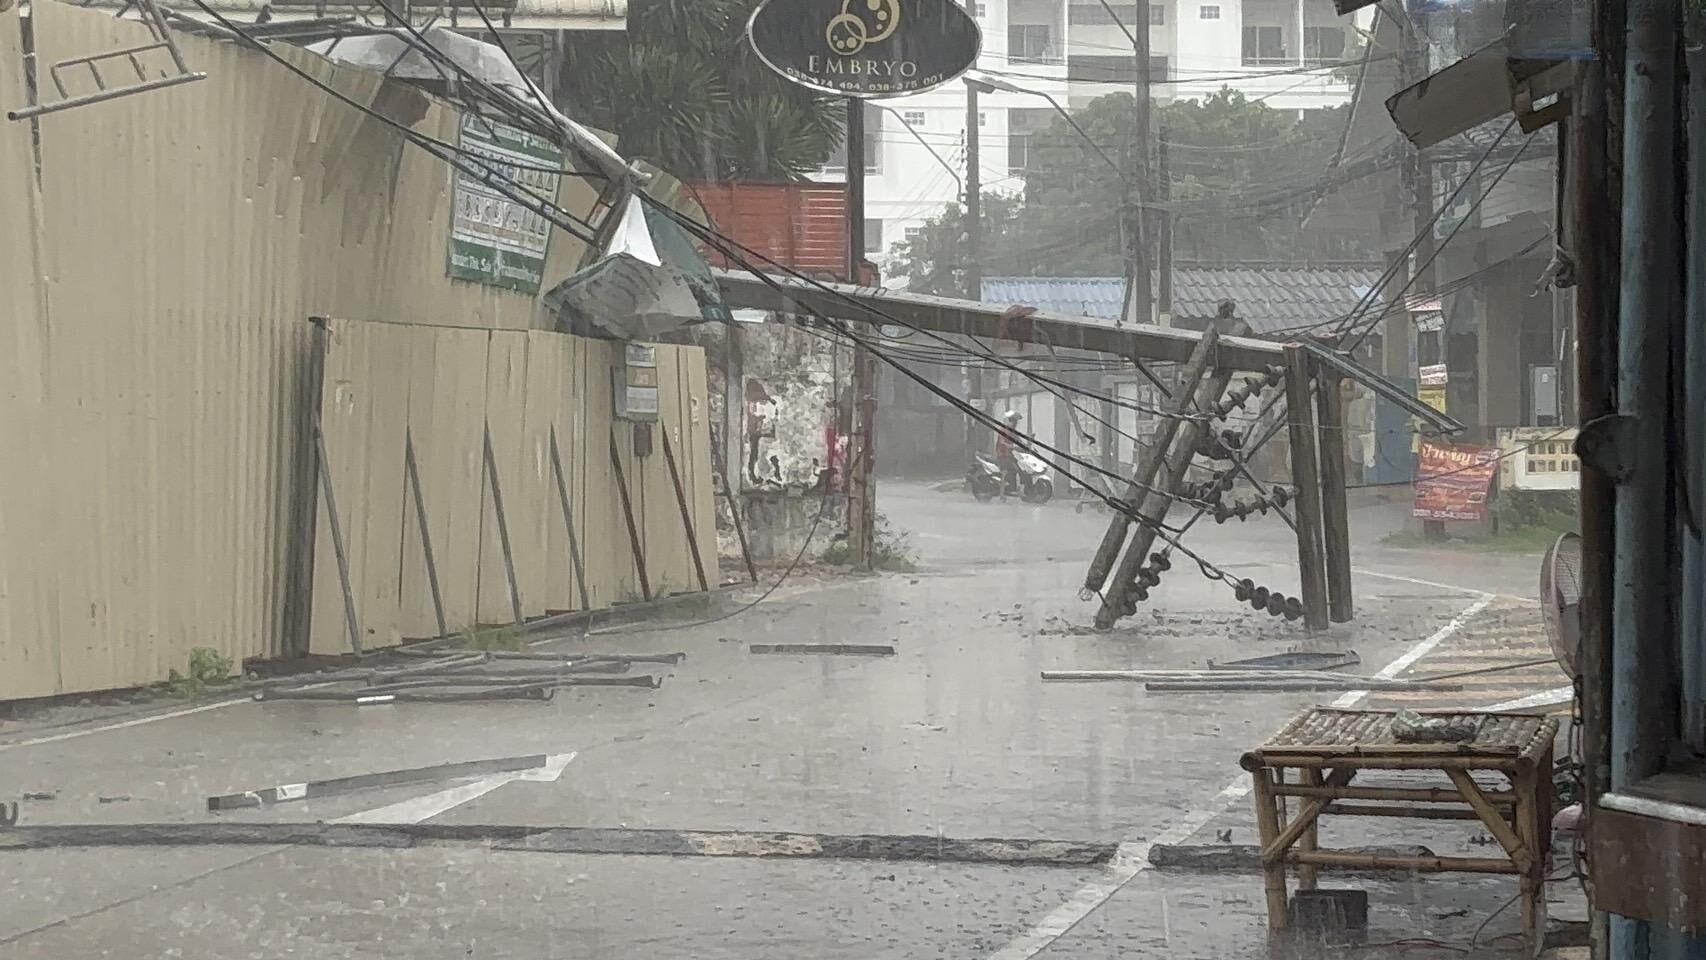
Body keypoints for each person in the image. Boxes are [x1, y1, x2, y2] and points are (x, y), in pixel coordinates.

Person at [995, 409, 1023, 497]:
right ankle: (1003, 493)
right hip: (1002, 455)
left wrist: (1026, 445)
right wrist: (1010, 446)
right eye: (1013, 421)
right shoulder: (1003, 430)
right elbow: (1002, 442)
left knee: (1019, 467)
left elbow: (1019, 440)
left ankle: (1012, 489)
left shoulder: (1012, 431)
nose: (1015, 423)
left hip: (1009, 455)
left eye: (1015, 421)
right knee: (1011, 469)